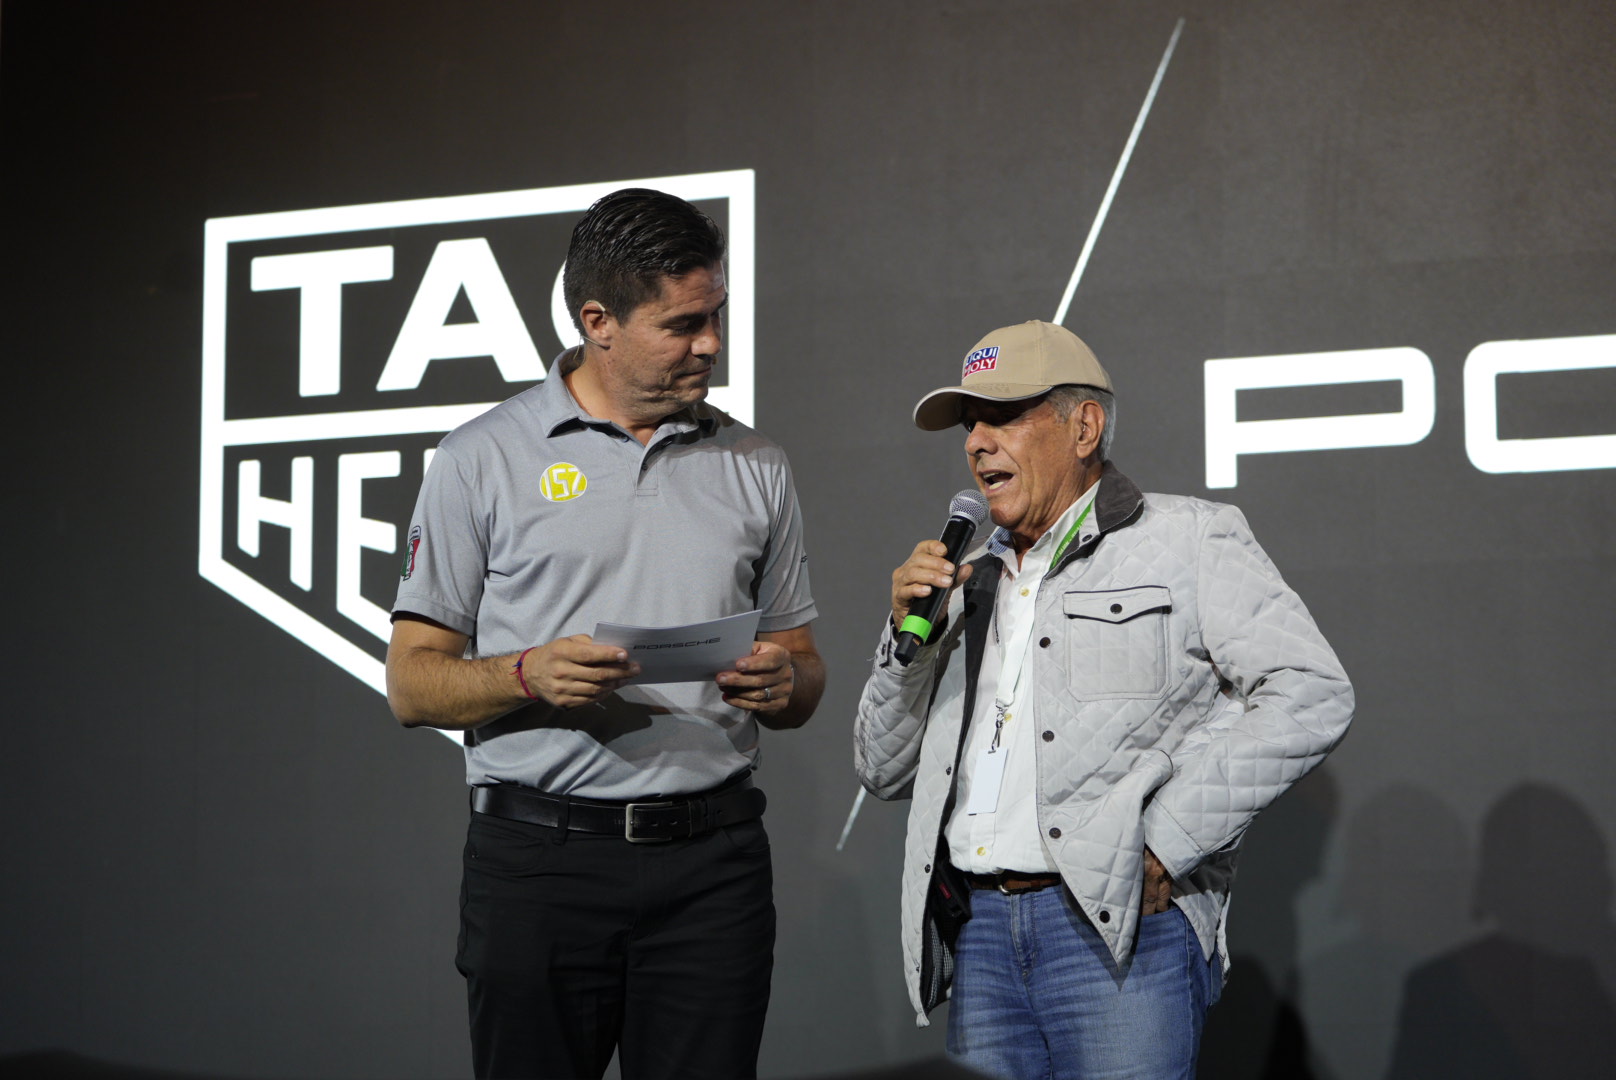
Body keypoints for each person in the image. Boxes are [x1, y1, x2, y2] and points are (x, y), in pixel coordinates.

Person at [386, 188, 824, 1080]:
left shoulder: (758, 463)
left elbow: (805, 669)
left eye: (716, 315)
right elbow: (412, 683)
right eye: (683, 324)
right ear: (599, 323)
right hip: (539, 867)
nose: (711, 342)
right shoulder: (480, 457)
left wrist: (786, 684)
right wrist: (525, 673)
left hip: (715, 868)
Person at [853, 320, 1352, 1079]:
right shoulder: (962, 580)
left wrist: (1168, 840)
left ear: (1083, 427)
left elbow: (1312, 692)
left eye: (1002, 416)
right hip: (980, 935)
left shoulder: (1189, 539)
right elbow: (882, 770)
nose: (977, 443)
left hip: (1119, 929)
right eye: (969, 424)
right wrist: (904, 641)